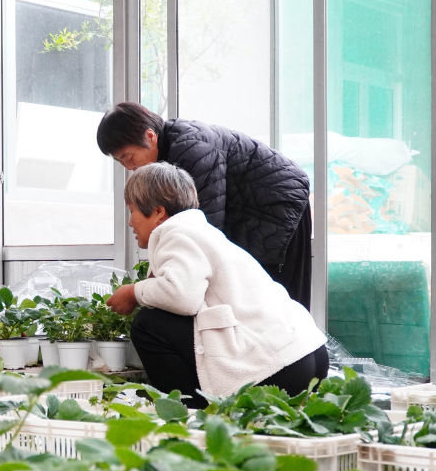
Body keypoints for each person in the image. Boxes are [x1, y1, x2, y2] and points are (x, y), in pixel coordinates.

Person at [106, 161, 328, 409]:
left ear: (158, 212)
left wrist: (133, 292)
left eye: (132, 211)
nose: (130, 222)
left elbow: (182, 296)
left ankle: (187, 413)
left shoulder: (177, 233)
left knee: (148, 325)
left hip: (277, 366)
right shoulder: (203, 233)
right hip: (305, 352)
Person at [97, 102, 313, 309]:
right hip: (252, 209)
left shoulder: (192, 149)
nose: (129, 167)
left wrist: (149, 289)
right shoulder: (170, 154)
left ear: (150, 136)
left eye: (128, 157)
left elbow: (203, 227)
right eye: (121, 162)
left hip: (278, 204)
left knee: (276, 296)